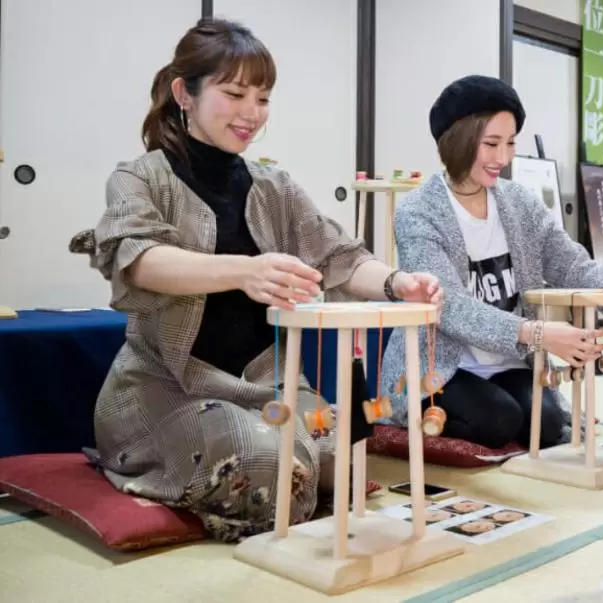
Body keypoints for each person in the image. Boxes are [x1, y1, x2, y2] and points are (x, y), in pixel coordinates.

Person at [72, 18, 442, 542]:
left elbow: (338, 255)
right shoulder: (140, 176)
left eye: (263, 97)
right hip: (169, 388)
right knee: (271, 464)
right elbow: (140, 259)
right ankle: (157, 463)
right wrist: (246, 270)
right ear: (185, 93)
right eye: (234, 93)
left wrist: (398, 282)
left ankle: (287, 468)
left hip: (269, 386)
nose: (252, 112)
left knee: (352, 460)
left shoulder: (274, 185)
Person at [376, 75, 603, 450]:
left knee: (546, 424)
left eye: (510, 143)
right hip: (440, 368)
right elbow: (449, 309)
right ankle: (406, 415)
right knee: (499, 420)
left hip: (508, 360)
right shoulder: (418, 211)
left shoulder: (520, 203)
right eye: (491, 144)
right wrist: (540, 334)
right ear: (458, 140)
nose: (503, 158)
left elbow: (572, 264)